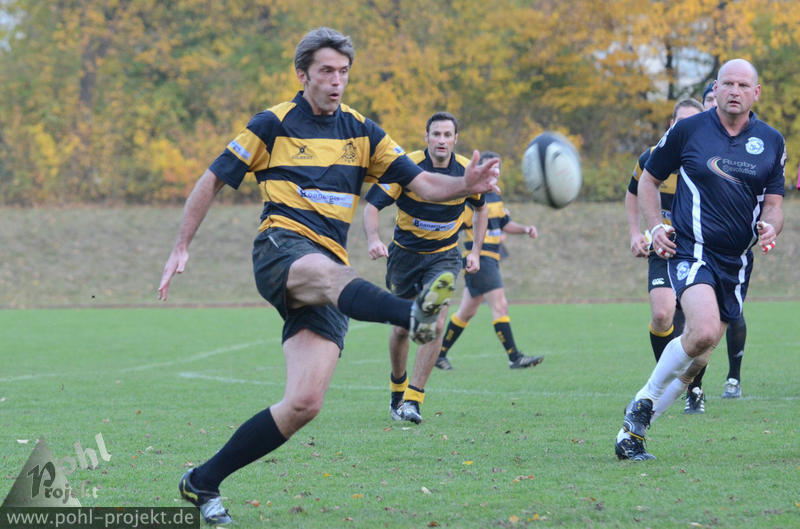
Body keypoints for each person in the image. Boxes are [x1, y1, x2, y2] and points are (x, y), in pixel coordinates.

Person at [158, 28, 500, 523]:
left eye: (343, 72)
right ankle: (413, 314)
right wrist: (181, 245)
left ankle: (202, 481)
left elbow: (424, 183)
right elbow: (213, 178)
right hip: (281, 248)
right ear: (303, 75)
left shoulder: (363, 131)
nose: (337, 81)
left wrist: (465, 183)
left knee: (303, 403)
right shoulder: (272, 123)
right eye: (326, 71)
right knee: (333, 275)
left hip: (330, 266)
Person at [615, 58, 785, 461]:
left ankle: (631, 434)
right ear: (716, 88)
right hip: (692, 249)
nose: (735, 91)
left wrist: (770, 226)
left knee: (698, 360)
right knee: (704, 331)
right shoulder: (689, 130)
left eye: (743, 85)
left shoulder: (772, 141)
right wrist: (654, 227)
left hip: (737, 262)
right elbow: (648, 180)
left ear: (756, 92)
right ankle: (643, 400)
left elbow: (775, 203)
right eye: (728, 84)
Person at [362, 112, 488, 424]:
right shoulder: (406, 166)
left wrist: (475, 251)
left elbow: (481, 209)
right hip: (405, 256)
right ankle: (397, 389)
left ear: (456, 139)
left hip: (444, 256)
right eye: (436, 134)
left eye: (447, 135)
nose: (441, 140)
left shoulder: (466, 171)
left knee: (436, 321)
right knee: (402, 327)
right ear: (427, 137)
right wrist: (373, 239)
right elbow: (372, 206)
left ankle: (414, 399)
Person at [436, 151, 544, 370]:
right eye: (489, 167)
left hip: (491, 259)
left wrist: (525, 229)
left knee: (467, 311)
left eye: (497, 167)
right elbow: (459, 222)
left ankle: (439, 355)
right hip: (479, 258)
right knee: (500, 305)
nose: (493, 171)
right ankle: (514, 357)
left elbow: (504, 224)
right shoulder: (472, 197)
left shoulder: (495, 196)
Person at [625, 98, 703, 374]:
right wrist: (635, 233)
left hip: (699, 249)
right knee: (661, 314)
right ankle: (665, 379)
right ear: (672, 124)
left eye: (693, 123)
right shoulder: (651, 157)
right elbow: (633, 192)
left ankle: (694, 387)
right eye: (681, 122)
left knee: (698, 324)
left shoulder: (708, 162)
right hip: (663, 244)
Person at [684, 81, 750, 408]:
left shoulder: (747, 143)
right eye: (709, 98)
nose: (715, 102)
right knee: (697, 323)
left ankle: (732, 376)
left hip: (733, 249)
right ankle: (691, 389)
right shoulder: (693, 139)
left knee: (729, 316)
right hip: (695, 246)